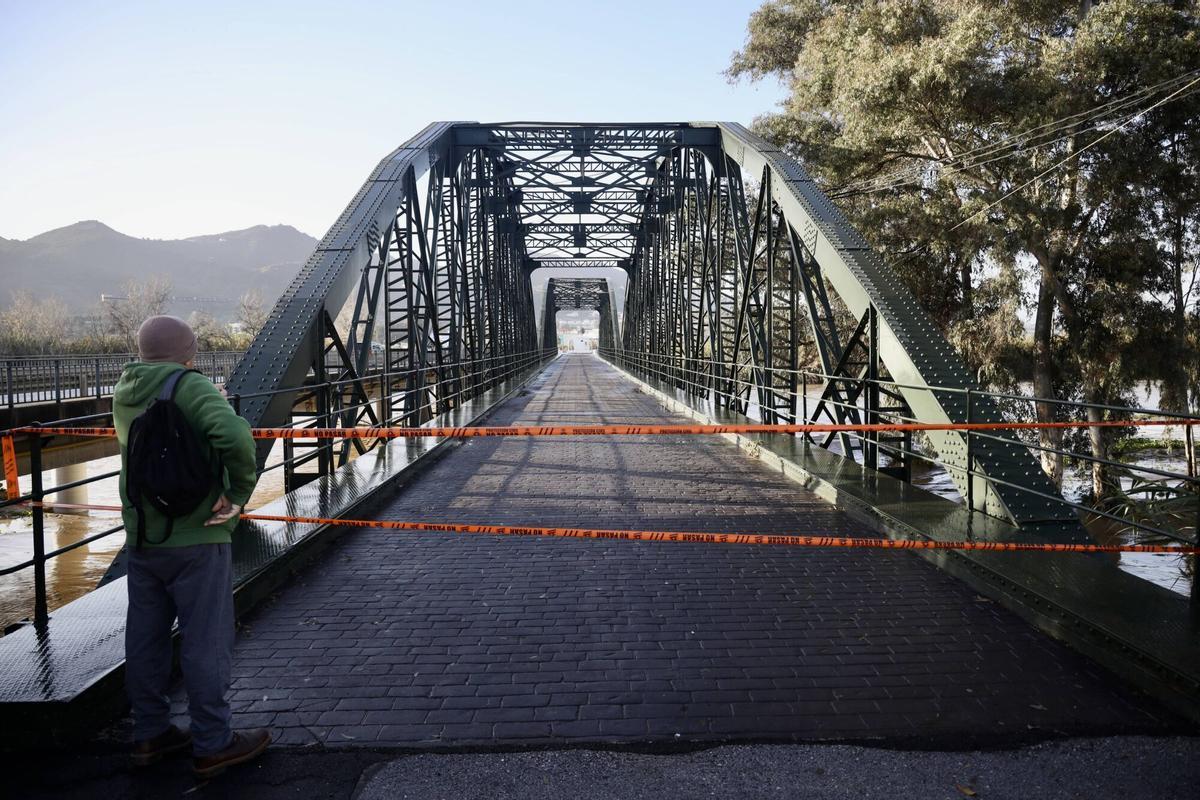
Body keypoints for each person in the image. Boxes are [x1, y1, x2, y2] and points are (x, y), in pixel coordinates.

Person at [114, 315, 269, 778]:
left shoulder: (124, 389)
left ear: (141, 350)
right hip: (198, 534)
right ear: (191, 351)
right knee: (205, 640)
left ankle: (149, 733)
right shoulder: (192, 385)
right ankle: (213, 741)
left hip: (143, 537)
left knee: (145, 638)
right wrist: (239, 492)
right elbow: (236, 436)